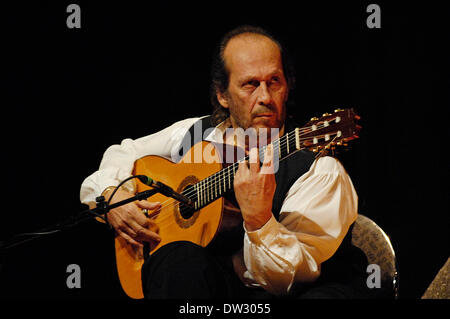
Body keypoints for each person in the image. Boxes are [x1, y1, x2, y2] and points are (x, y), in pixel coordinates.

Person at [80, 25, 372, 299]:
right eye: (250, 85)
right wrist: (112, 197)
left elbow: (290, 279)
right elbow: (122, 153)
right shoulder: (195, 132)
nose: (265, 97)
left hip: (280, 294)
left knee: (182, 261)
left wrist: (259, 220)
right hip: (202, 288)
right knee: (178, 260)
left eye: (274, 82)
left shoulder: (317, 169)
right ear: (222, 95)